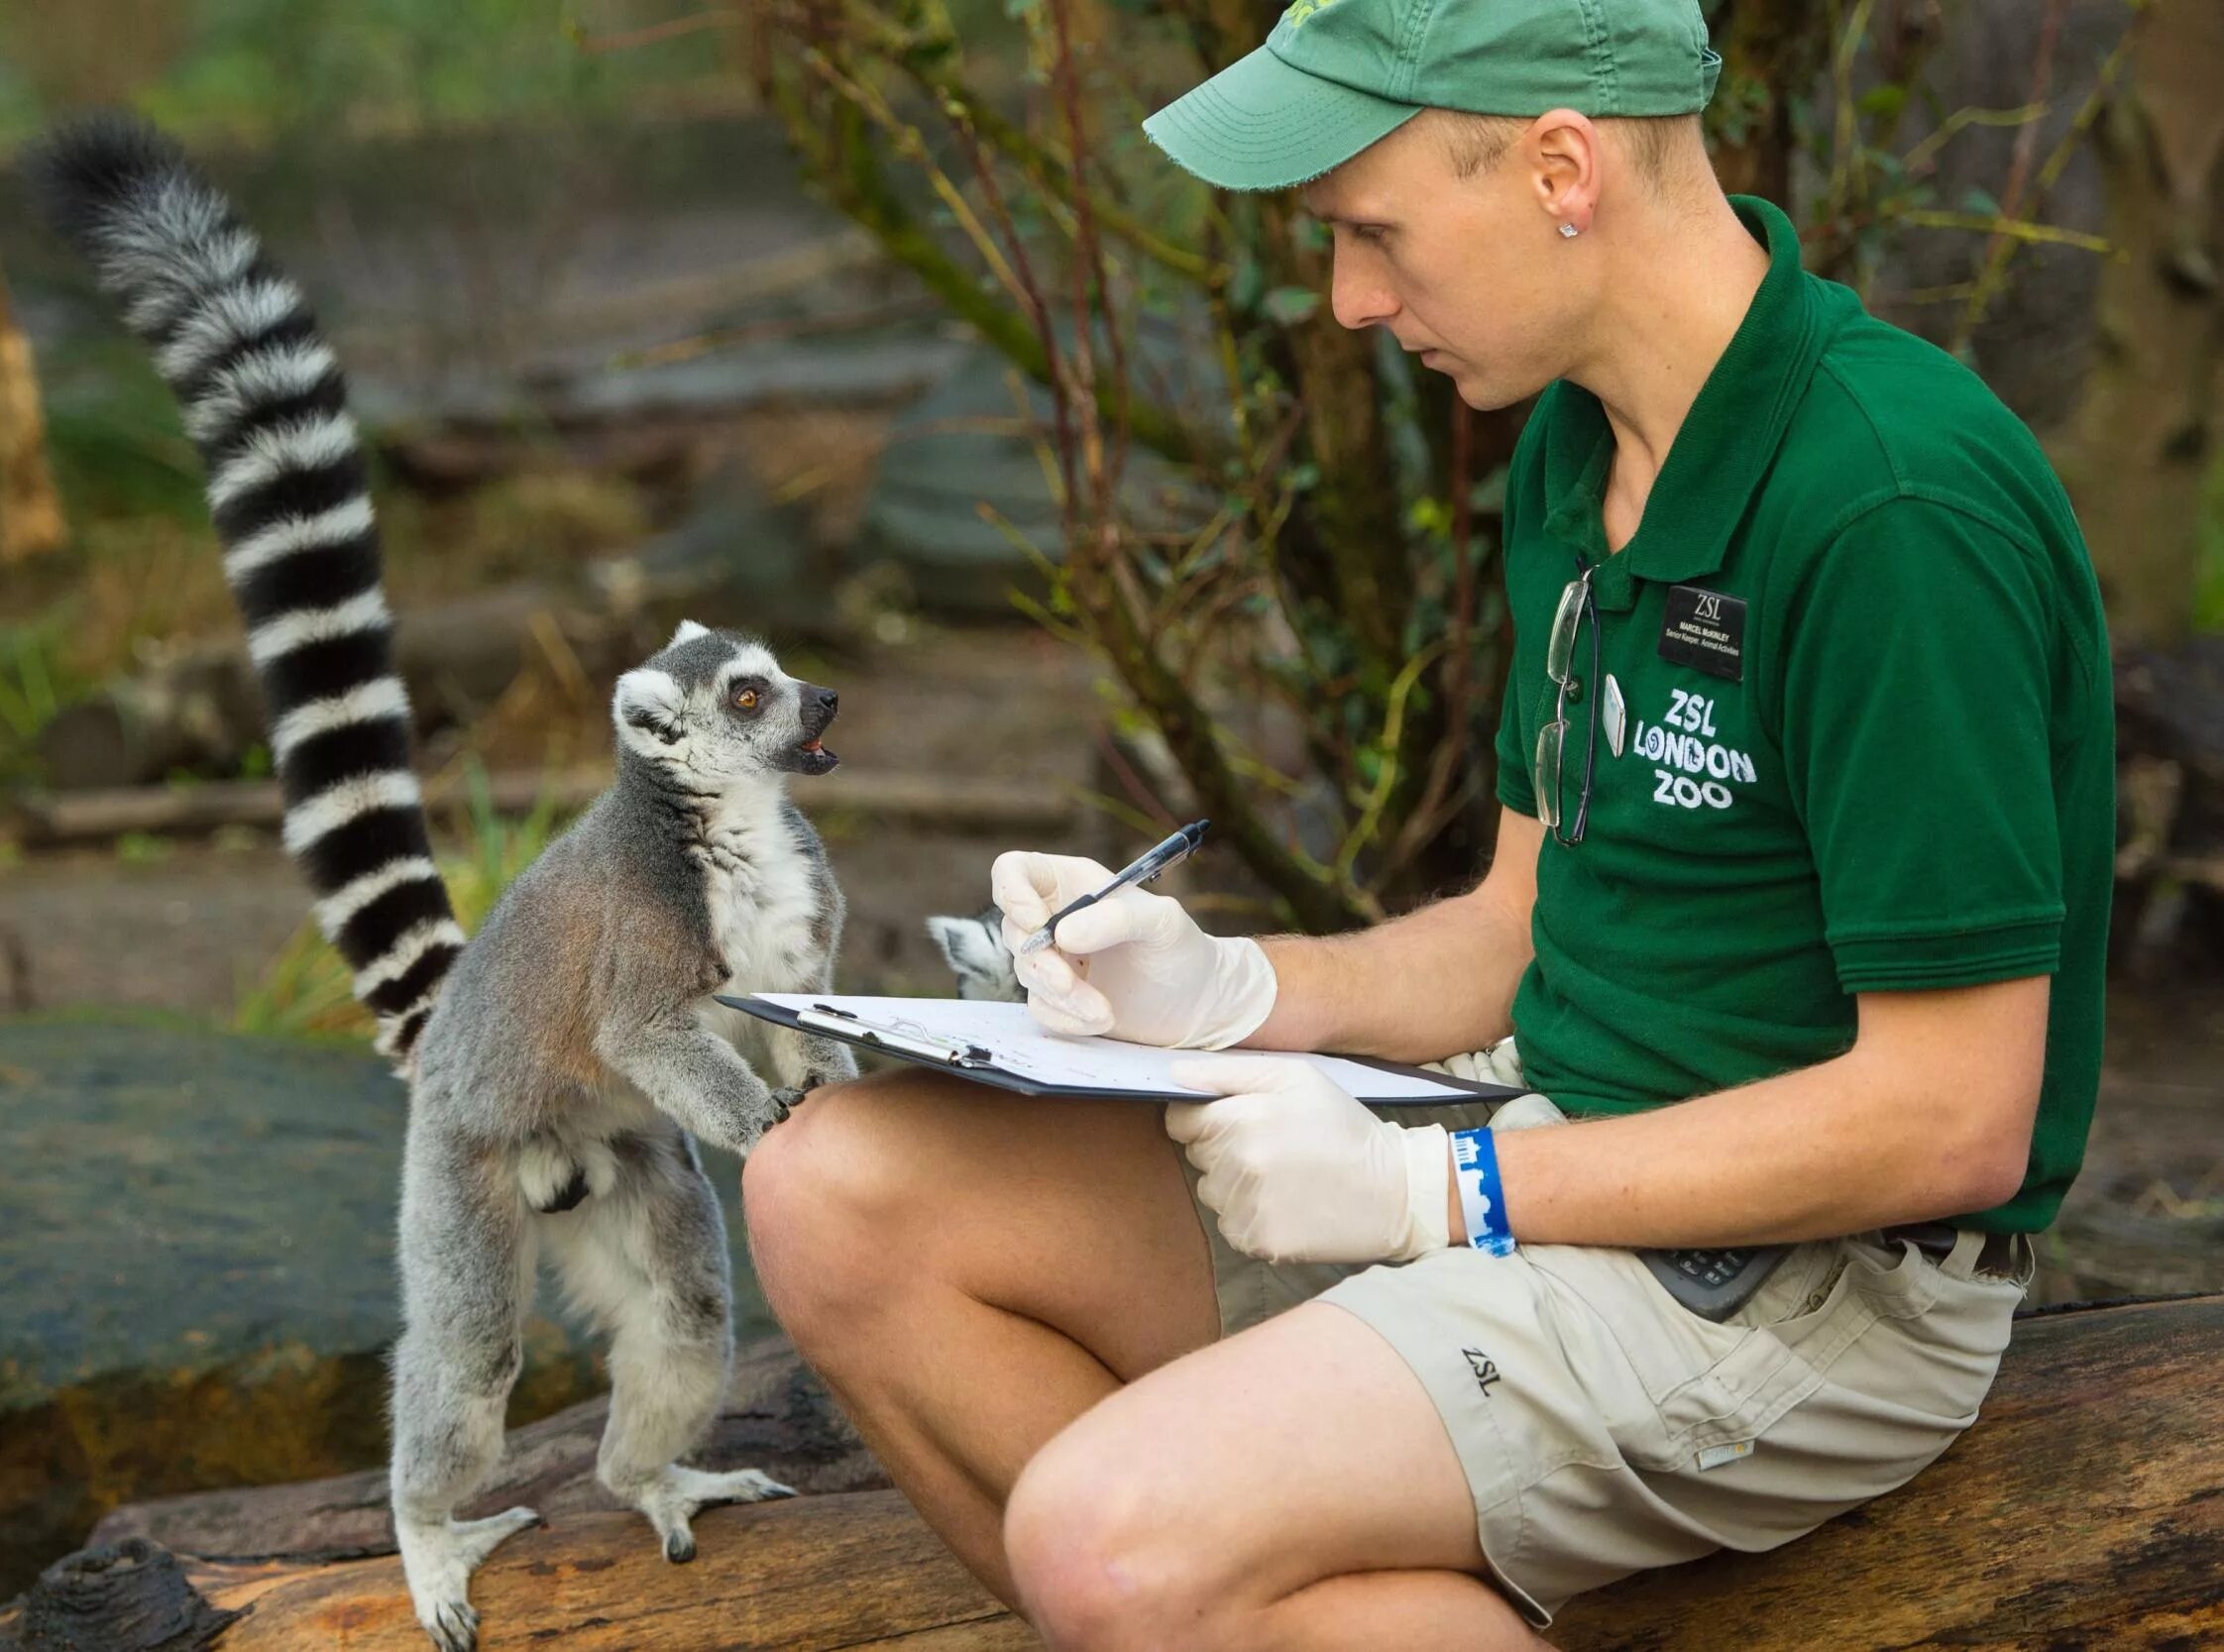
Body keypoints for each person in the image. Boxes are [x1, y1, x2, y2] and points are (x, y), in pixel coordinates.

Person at [740, 0, 2115, 1643]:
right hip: (1542, 1133)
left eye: (1373, 232)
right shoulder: (1578, 446)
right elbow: (1522, 928)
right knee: (835, 1193)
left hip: (1818, 1279)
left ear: (1558, 168)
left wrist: (1440, 1195)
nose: (1349, 300)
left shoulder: (1891, 506)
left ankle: (1200, 1574)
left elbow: (1950, 1120)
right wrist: (1227, 993)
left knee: (1116, 1543)